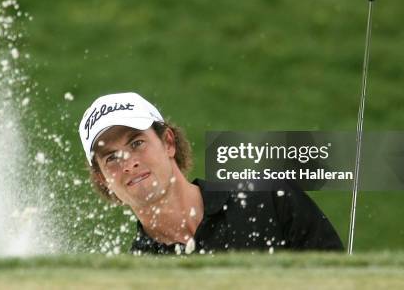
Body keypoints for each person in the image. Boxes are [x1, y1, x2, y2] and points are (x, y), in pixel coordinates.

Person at [78, 92, 344, 254]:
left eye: (136, 143)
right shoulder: (136, 277)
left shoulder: (270, 199)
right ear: (103, 179)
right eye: (111, 157)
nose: (128, 163)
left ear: (168, 142)